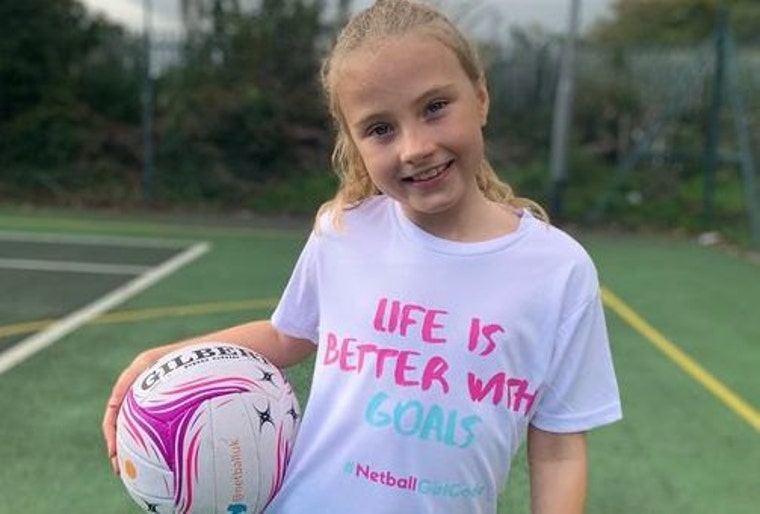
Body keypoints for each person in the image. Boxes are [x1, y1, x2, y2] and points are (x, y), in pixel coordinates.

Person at [102, 1, 622, 512]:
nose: (414, 147)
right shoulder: (343, 232)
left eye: (435, 107)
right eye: (380, 129)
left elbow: (557, 449)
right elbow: (286, 336)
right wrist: (166, 358)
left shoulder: (559, 271)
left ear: (480, 96)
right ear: (353, 142)